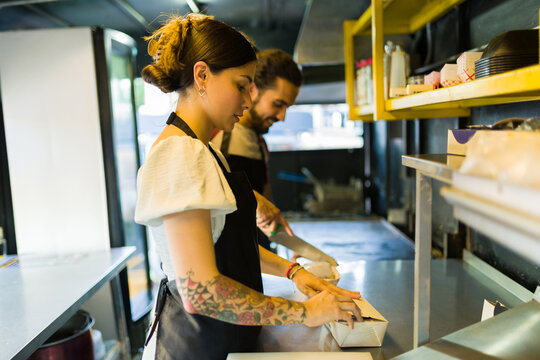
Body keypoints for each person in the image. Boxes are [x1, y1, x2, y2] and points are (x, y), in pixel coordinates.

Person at [134, 13, 361, 360]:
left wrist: (293, 271)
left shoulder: (204, 151)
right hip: (197, 347)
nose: (248, 98)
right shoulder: (179, 154)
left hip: (224, 341)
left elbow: (226, 249)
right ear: (202, 75)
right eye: (241, 85)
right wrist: (306, 312)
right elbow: (202, 292)